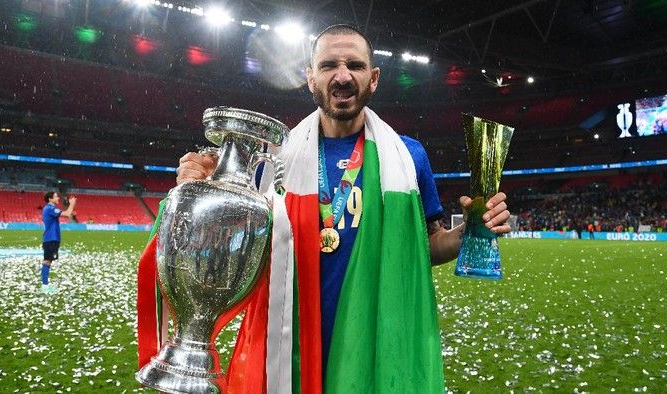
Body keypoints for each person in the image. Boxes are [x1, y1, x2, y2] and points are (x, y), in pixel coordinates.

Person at [167, 24, 510, 392]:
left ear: (373, 78)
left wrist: (470, 231)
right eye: (329, 65)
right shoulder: (271, 161)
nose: (343, 76)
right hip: (292, 338)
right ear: (310, 78)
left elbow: (423, 246)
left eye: (356, 66)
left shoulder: (408, 157)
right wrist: (203, 192)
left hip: (374, 339)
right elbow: (236, 251)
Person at [41, 191, 76, 294]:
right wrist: (72, 204)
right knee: (47, 261)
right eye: (56, 197)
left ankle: (45, 284)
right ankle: (44, 286)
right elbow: (67, 214)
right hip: (51, 238)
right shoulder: (49, 208)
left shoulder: (49, 209)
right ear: (50, 199)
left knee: (49, 261)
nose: (58, 198)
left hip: (52, 238)